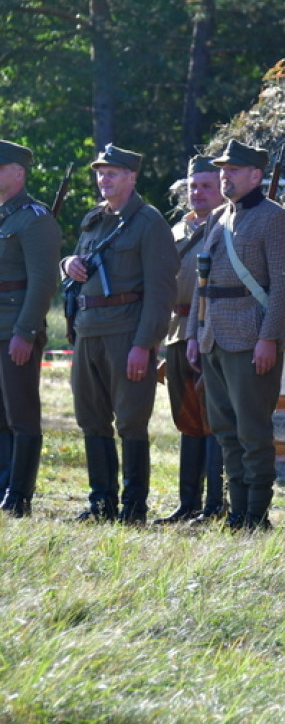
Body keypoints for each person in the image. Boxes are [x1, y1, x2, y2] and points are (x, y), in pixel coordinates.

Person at [186, 139, 285, 531]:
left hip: (251, 340)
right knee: (225, 432)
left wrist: (269, 338)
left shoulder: (275, 218)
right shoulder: (218, 217)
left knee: (252, 431)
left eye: (233, 170)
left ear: (256, 175)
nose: (225, 175)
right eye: (223, 169)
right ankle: (237, 512)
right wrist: (193, 334)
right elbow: (203, 284)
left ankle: (256, 514)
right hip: (214, 337)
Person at [62, 144, 179, 523]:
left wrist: (144, 345)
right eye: (101, 172)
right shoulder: (94, 219)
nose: (104, 179)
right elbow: (79, 263)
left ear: (132, 177)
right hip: (88, 330)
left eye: (112, 172)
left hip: (126, 333)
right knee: (91, 419)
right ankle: (101, 503)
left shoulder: (149, 222)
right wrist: (69, 263)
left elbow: (161, 293)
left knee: (130, 421)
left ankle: (133, 507)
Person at [154, 155, 226, 525]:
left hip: (212, 331)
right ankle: (188, 504)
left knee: (213, 421)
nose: (198, 192)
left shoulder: (228, 227)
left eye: (207, 186)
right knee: (187, 419)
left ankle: (216, 504)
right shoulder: (176, 230)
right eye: (193, 186)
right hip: (176, 332)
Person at [0, 140, 61, 516]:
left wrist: (25, 332)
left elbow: (43, 284)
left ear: (17, 173)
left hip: (15, 330)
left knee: (21, 414)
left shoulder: (35, 218)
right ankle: (3, 485)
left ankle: (19, 494)